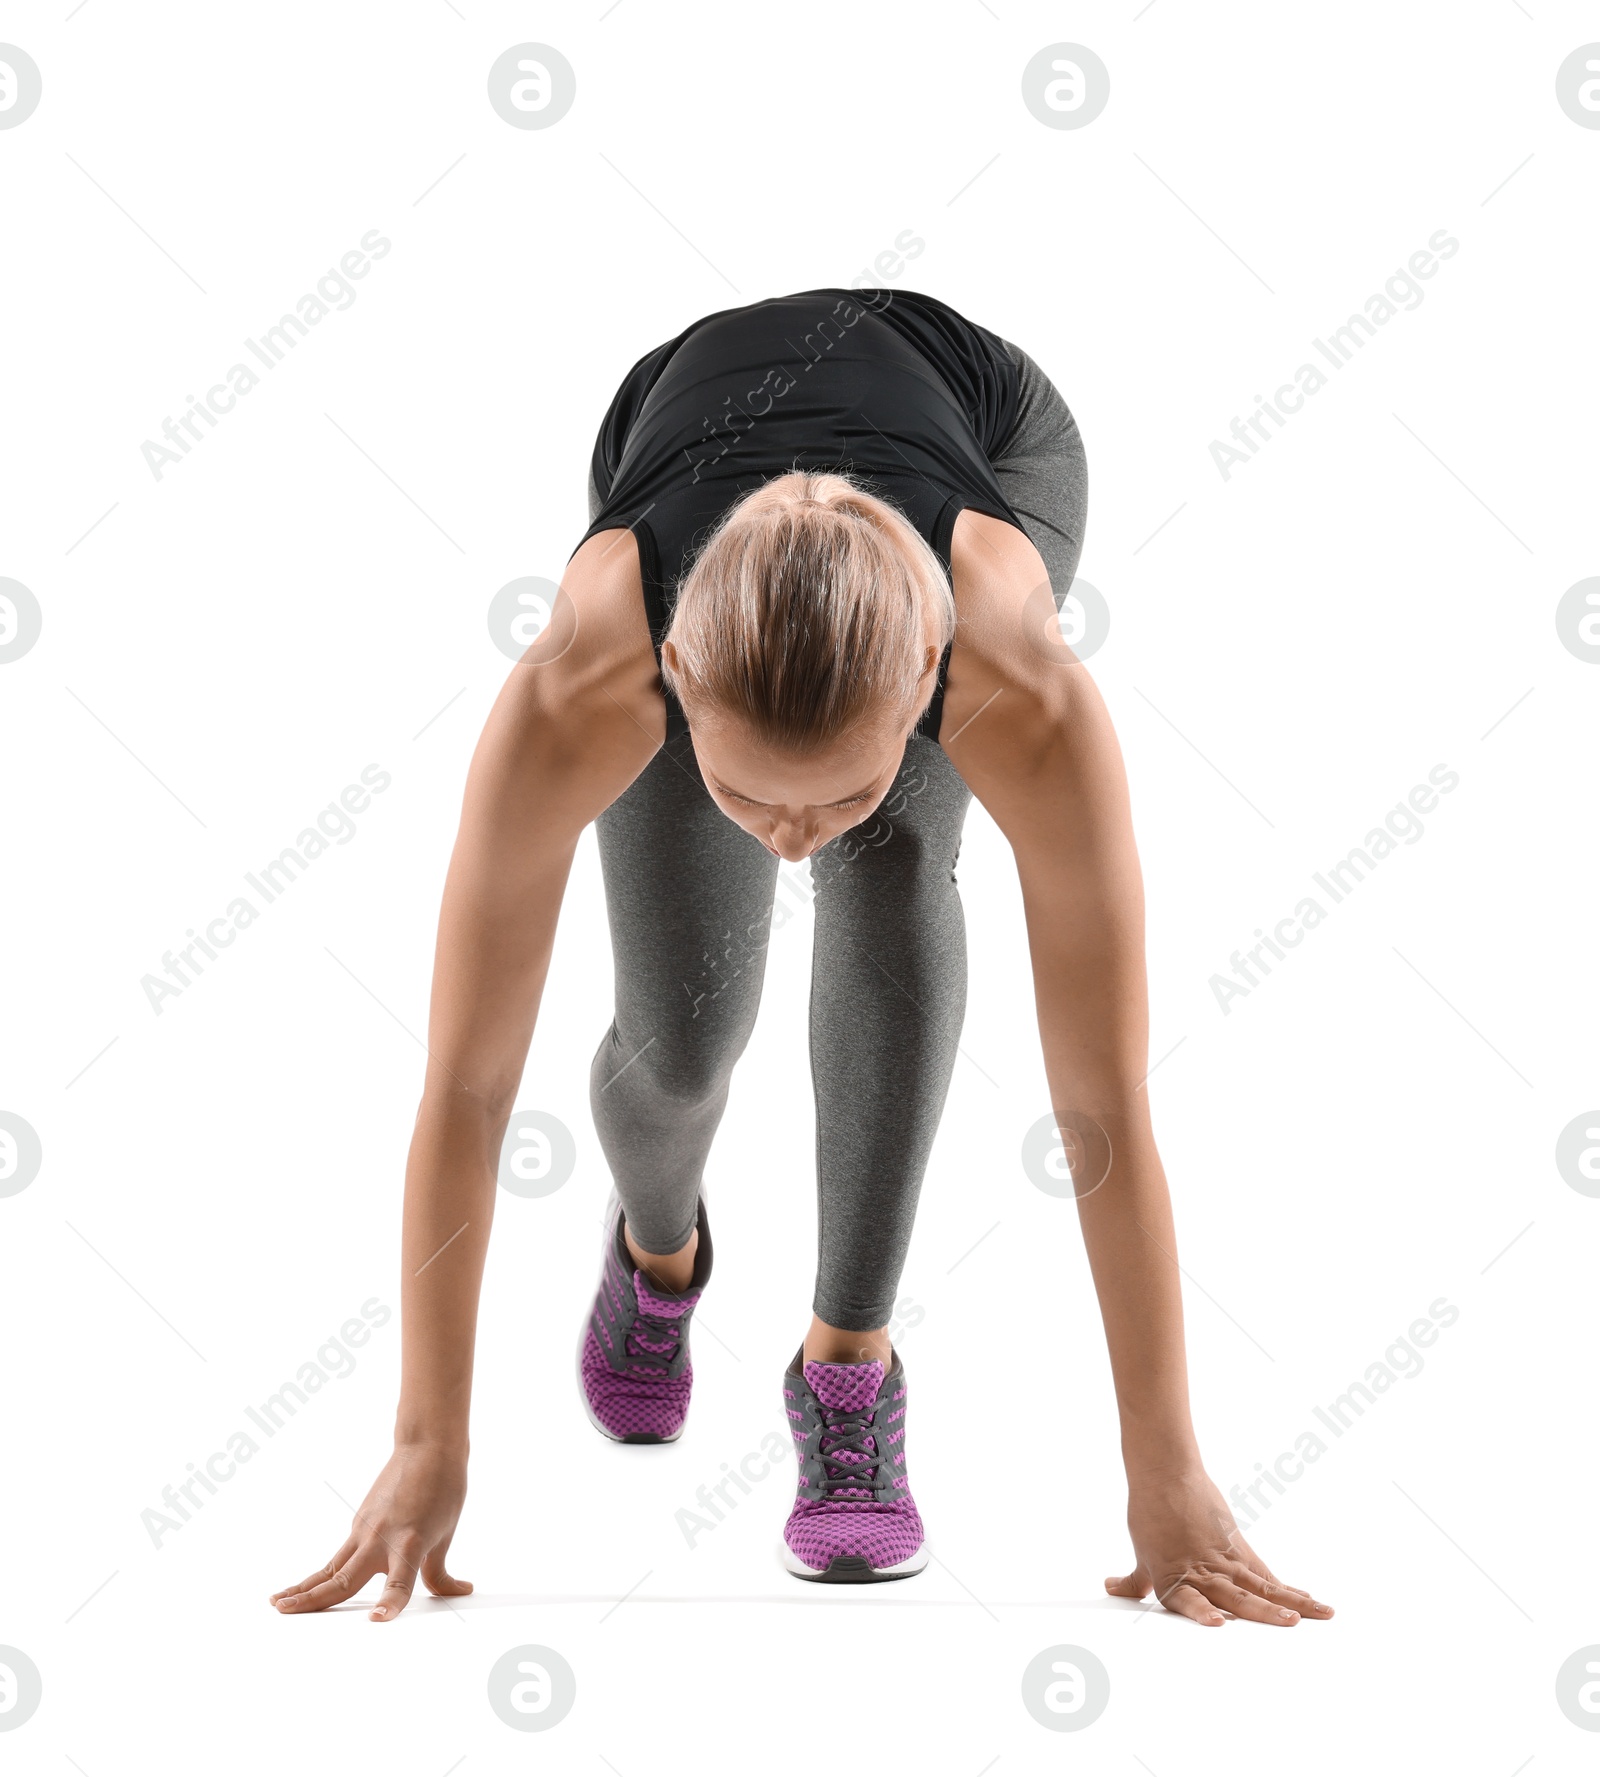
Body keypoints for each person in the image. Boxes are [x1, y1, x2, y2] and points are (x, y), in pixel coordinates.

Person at [270, 287, 1332, 1621]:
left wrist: (1165, 1470)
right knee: (681, 1037)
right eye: (753, 793)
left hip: (985, 428)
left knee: (892, 872)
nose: (787, 843)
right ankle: (660, 1259)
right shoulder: (582, 682)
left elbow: (1103, 1104)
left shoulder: (1019, 686)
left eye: (828, 792)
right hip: (676, 406)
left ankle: (849, 1368)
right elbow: (468, 1089)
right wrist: (427, 1440)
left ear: (935, 679)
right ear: (672, 679)